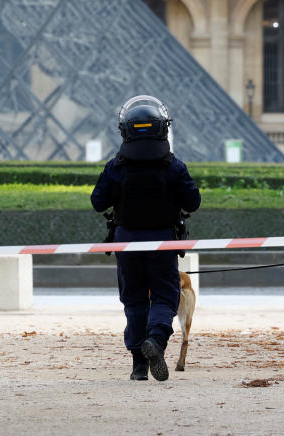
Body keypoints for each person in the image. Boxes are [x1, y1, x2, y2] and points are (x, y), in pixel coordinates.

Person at [91, 95, 200, 382]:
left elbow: (97, 202)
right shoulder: (173, 166)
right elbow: (193, 202)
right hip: (163, 240)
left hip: (126, 240)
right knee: (165, 296)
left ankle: (139, 364)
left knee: (134, 301)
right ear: (162, 128)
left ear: (124, 130)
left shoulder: (116, 167)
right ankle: (157, 339)